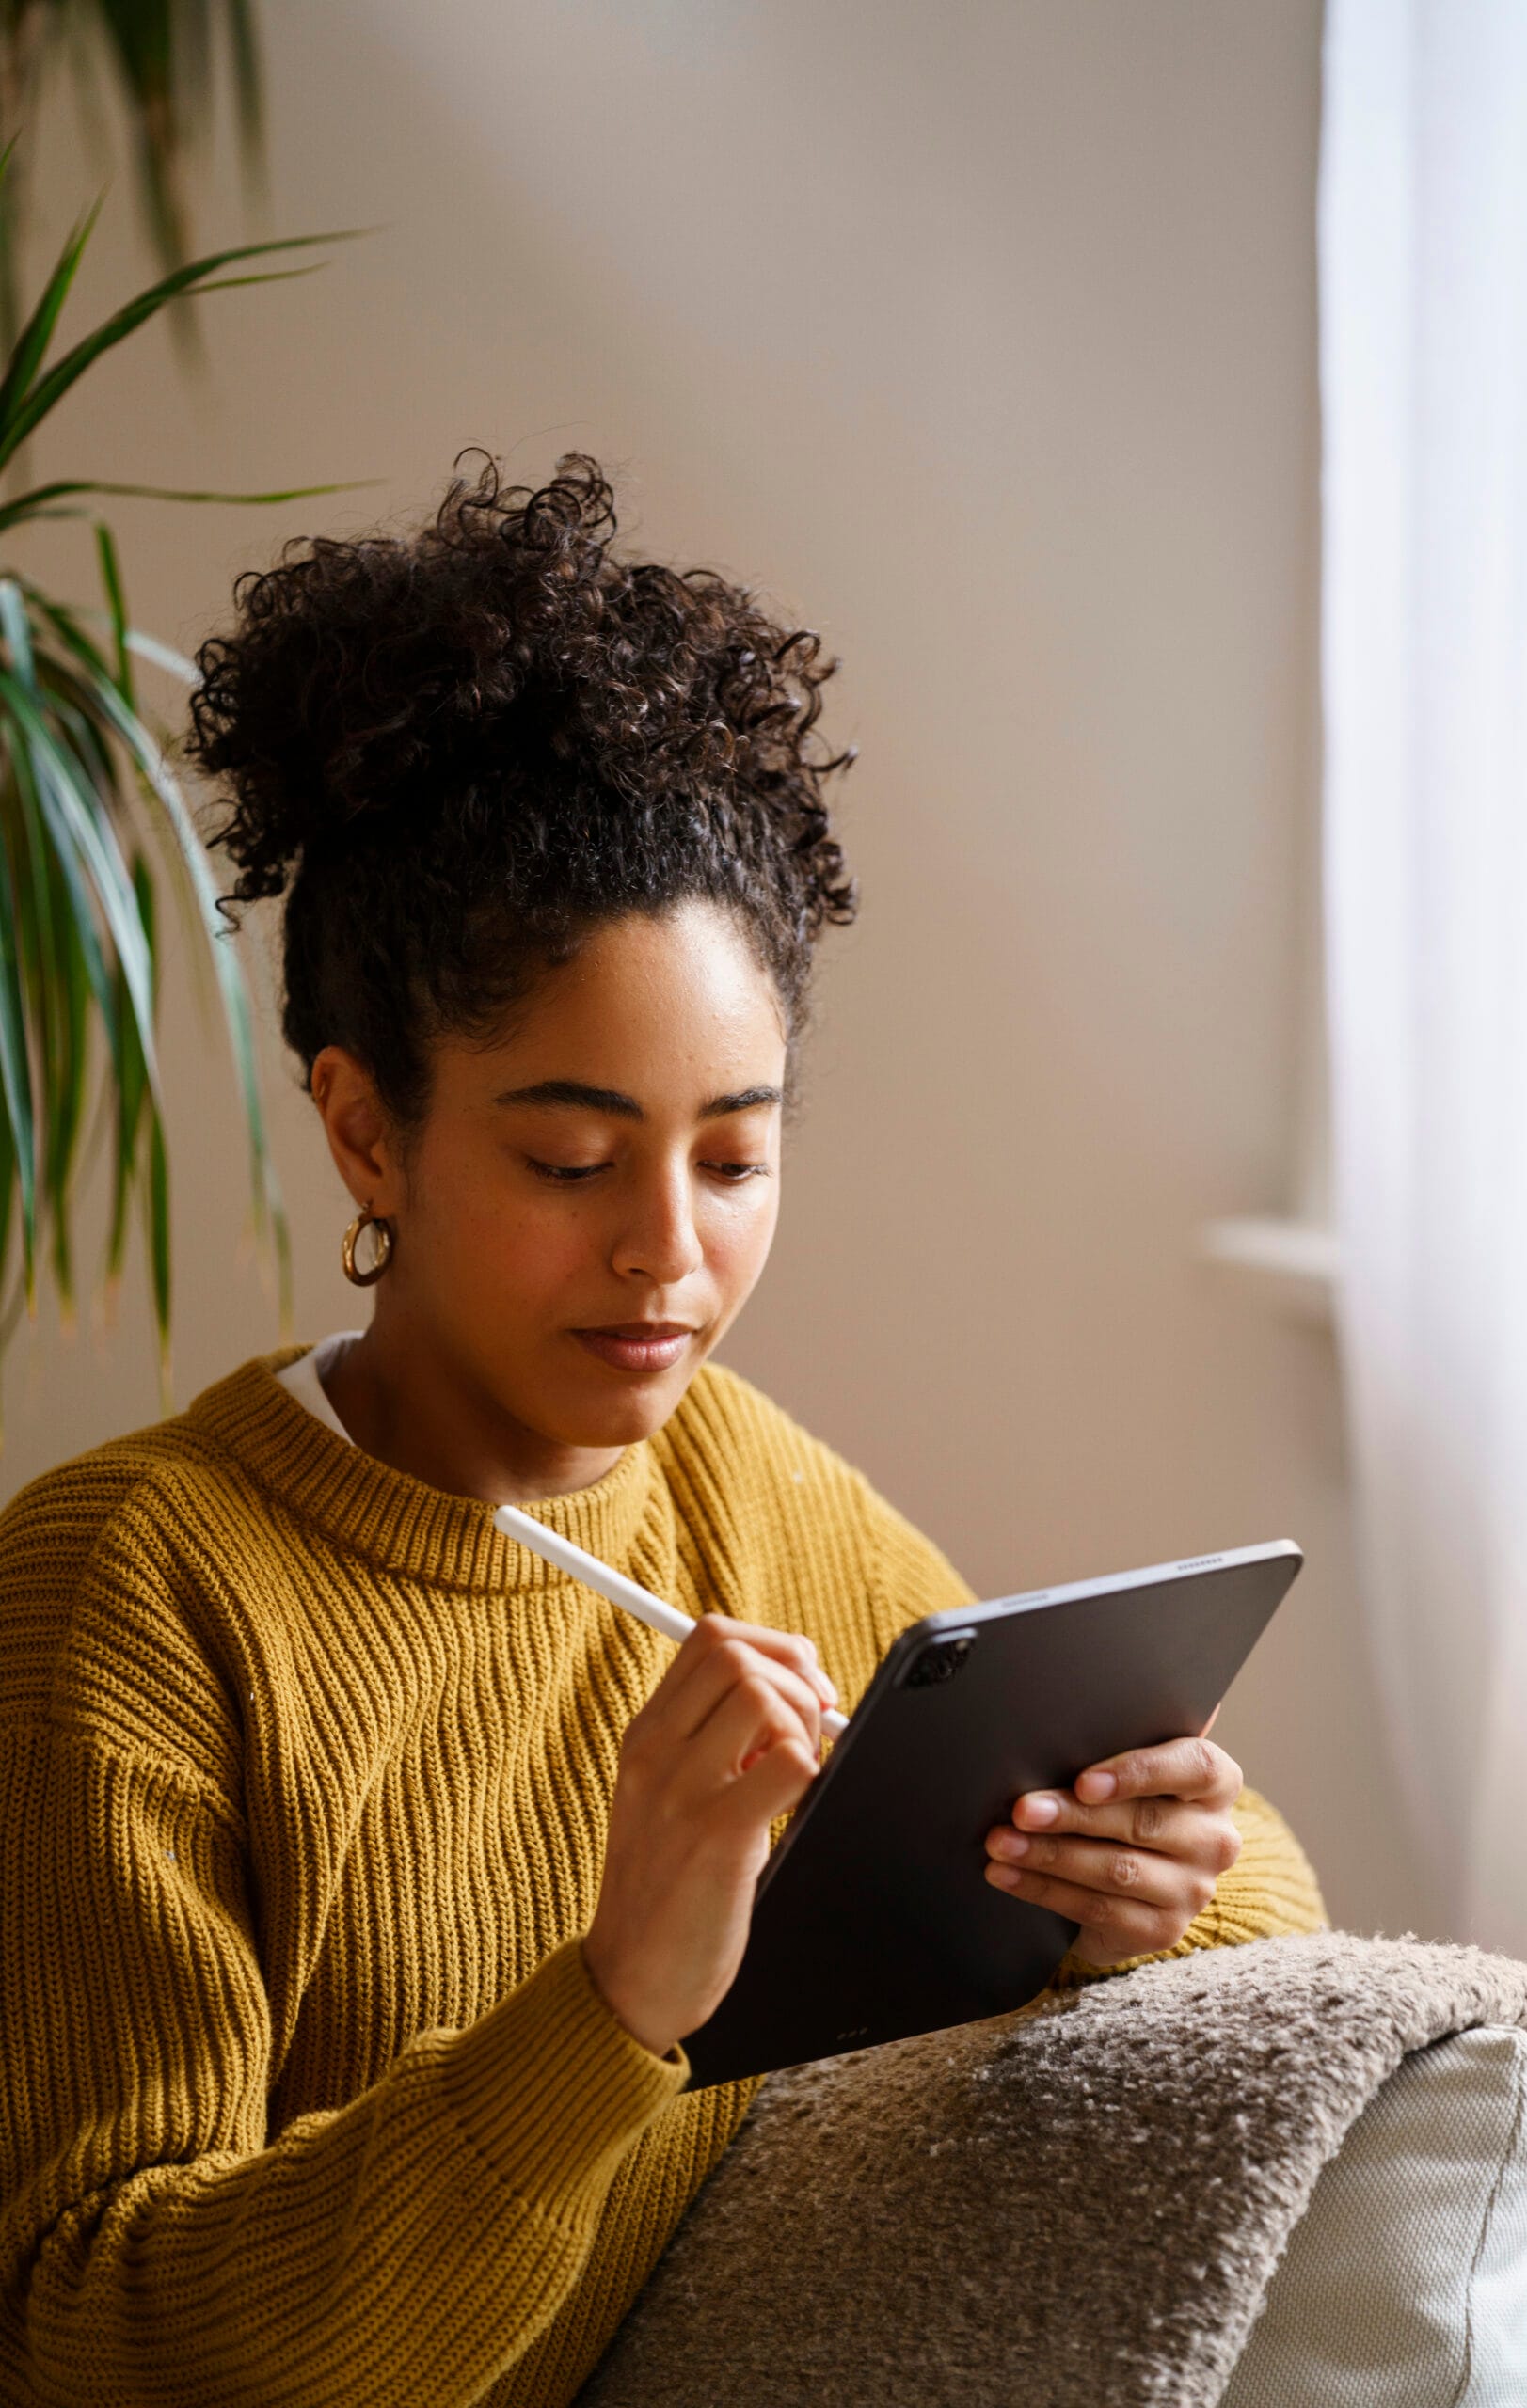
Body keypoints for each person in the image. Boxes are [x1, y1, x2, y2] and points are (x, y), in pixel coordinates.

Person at [0, 452, 1325, 2407]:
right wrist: (611, 1995)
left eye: (733, 1152)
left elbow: (1272, 1935)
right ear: (368, 1127)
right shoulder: (130, 1595)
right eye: (567, 1155)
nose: (666, 1256)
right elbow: (91, 2335)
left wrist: (1154, 1872)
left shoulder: (737, 1479)